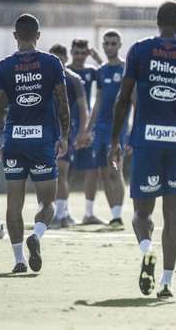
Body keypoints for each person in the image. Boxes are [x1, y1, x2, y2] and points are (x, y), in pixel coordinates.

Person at [109, 0, 176, 299]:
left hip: (146, 138)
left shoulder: (139, 49)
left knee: (142, 213)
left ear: (157, 22)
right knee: (173, 214)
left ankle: (146, 249)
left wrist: (114, 141)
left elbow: (123, 99)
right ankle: (166, 281)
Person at [0, 14, 70, 273]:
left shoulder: (3, 67)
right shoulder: (52, 63)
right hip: (43, 141)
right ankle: (36, 236)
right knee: (47, 203)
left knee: (13, 203)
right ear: (38, 36)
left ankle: (18, 260)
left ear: (15, 36)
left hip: (14, 140)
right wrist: (65, 135)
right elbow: (63, 102)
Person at [84, 30, 130, 228]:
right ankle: (114, 216)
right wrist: (88, 128)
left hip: (119, 128)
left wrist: (134, 129)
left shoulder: (127, 69)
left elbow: (134, 99)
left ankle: (119, 215)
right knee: (104, 173)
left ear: (120, 45)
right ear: (103, 45)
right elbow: (99, 101)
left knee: (115, 171)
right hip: (101, 129)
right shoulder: (101, 70)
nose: (110, 46)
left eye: (114, 43)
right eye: (107, 43)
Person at [48, 44, 90, 229]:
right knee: (50, 174)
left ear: (65, 59)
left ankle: (60, 215)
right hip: (46, 130)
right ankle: (60, 212)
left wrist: (82, 131)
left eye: (59, 59)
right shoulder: (44, 78)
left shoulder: (74, 79)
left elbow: (83, 108)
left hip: (65, 131)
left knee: (62, 172)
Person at [69, 38, 106, 224]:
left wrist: (97, 57)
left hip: (86, 126)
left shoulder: (92, 71)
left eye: (83, 53)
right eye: (76, 52)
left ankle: (89, 213)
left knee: (92, 170)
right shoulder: (64, 71)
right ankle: (61, 212)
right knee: (64, 169)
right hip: (67, 126)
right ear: (71, 52)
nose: (80, 56)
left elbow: (111, 71)